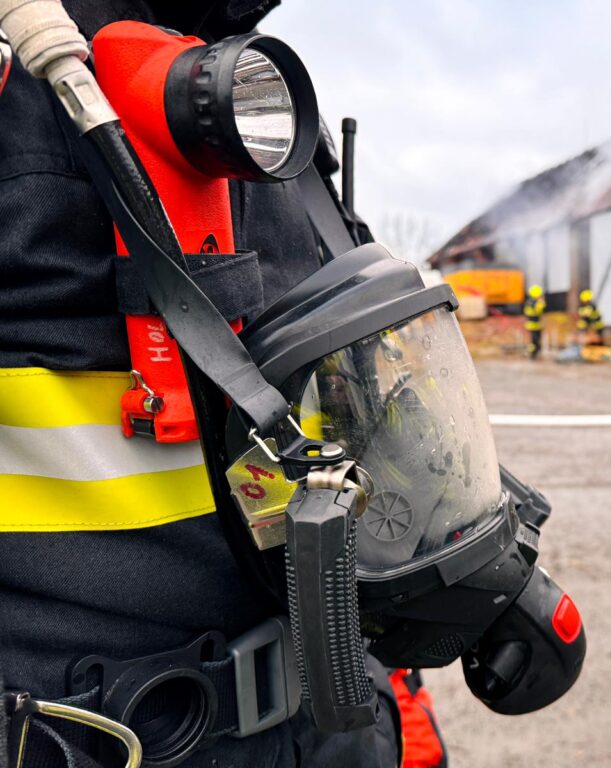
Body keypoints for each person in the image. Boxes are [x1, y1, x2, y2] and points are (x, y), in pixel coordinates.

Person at [0, 1, 440, 766]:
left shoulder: (265, 103)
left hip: (333, 719)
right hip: (96, 735)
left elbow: (349, 415)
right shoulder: (27, 80)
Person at [523, 284, 546, 360]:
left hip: (532, 324)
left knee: (533, 341)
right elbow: (539, 310)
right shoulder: (534, 302)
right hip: (534, 325)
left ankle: (533, 354)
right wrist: (542, 302)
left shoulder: (529, 301)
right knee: (535, 341)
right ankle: (533, 355)